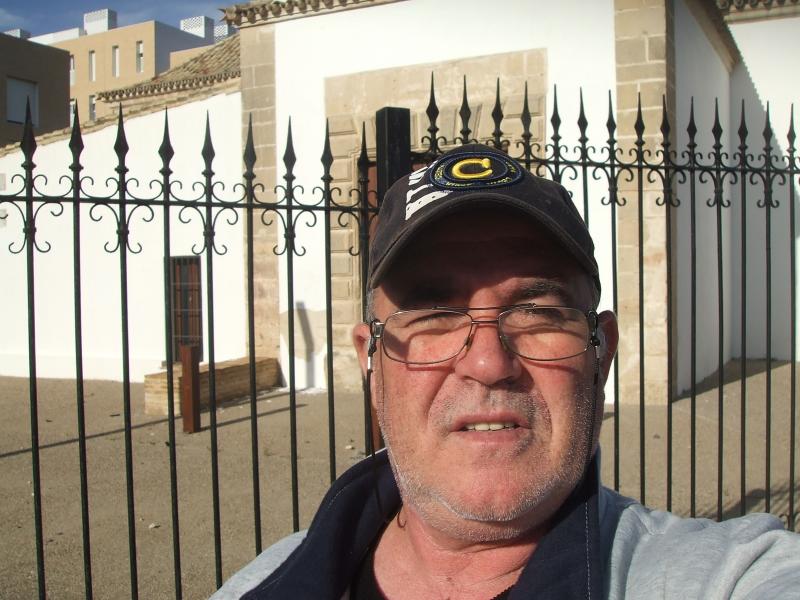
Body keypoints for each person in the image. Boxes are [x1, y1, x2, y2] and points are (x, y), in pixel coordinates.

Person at [213, 144, 800, 599]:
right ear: (373, 365)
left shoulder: (728, 575)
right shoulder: (259, 584)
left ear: (601, 356)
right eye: (434, 315)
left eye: (538, 312)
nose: (489, 363)